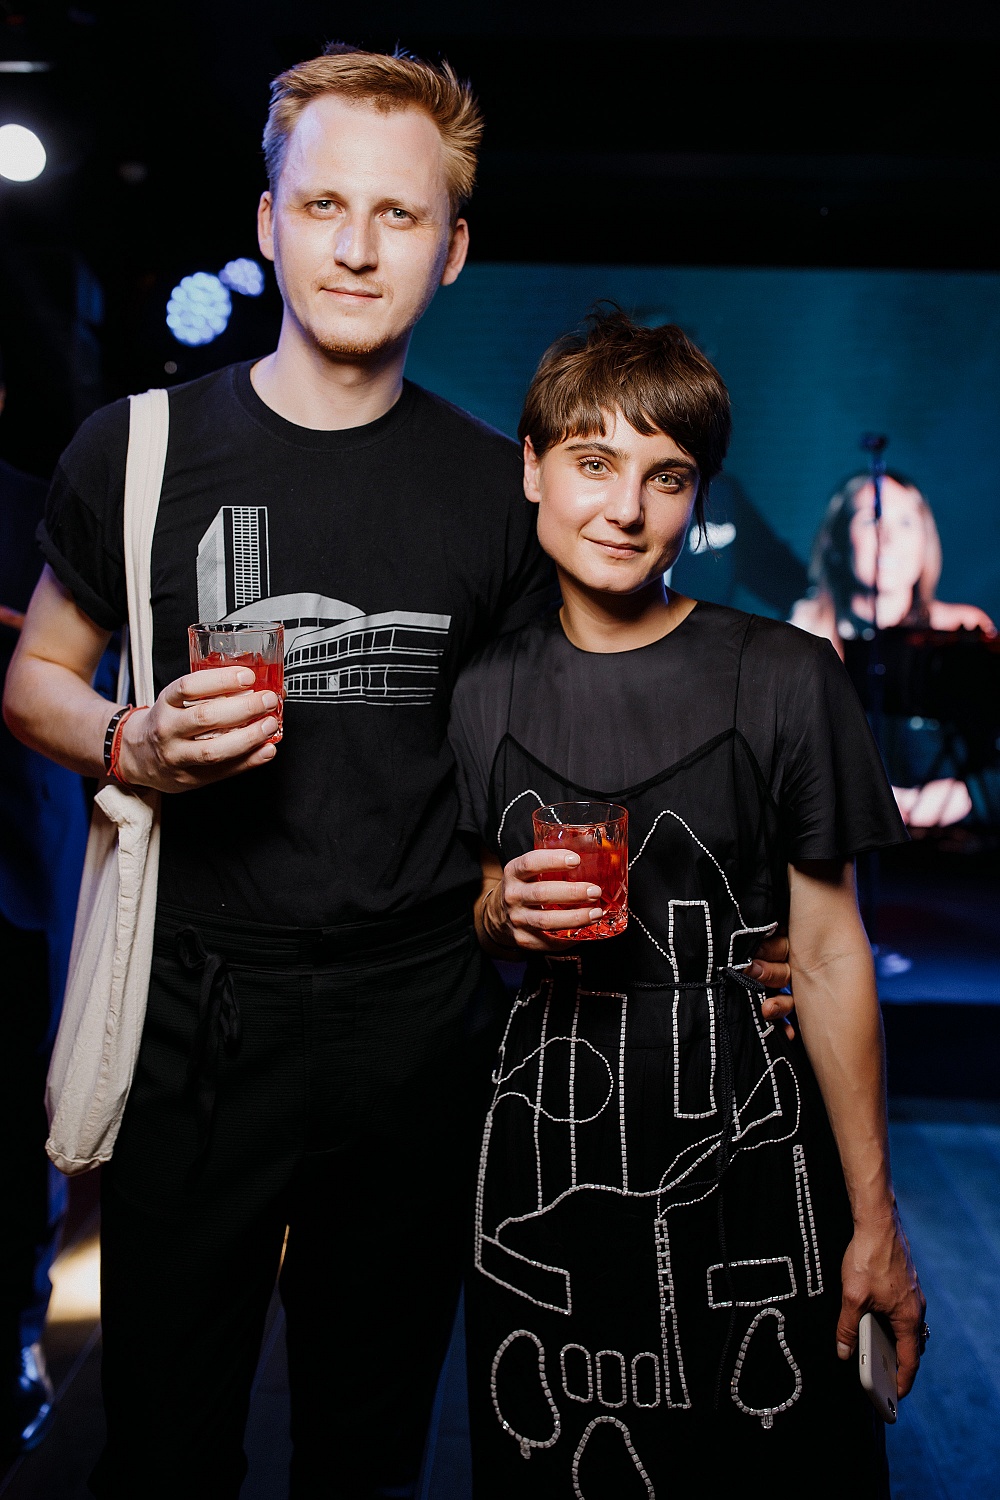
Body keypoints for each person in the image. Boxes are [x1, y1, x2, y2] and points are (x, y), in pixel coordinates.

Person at [4, 46, 794, 1496]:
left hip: (418, 1027)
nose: (357, 247)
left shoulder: (495, 493)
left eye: (399, 215)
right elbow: (35, 678)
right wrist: (134, 740)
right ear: (268, 222)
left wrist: (745, 926)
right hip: (196, 1016)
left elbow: (569, 751)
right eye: (324, 206)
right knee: (163, 1447)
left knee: (365, 1452)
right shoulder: (138, 448)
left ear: (452, 252)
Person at [448, 309, 926, 1498]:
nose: (625, 508)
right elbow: (473, 901)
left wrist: (876, 1222)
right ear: (531, 469)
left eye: (664, 477)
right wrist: (502, 913)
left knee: (774, 1464)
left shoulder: (785, 676)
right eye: (592, 462)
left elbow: (829, 954)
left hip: (753, 1151)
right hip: (548, 1150)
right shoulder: (480, 690)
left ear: (696, 496)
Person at [0, 355, 89, 1456]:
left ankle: (19, 1334)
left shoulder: (44, 509)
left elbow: (85, 673)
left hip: (17, 868)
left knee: (22, 1117)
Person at [790, 471, 998, 828]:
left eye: (905, 522)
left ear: (924, 541)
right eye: (871, 519)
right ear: (836, 541)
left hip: (950, 841)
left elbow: (991, 763)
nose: (888, 537)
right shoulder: (803, 636)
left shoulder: (962, 632)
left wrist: (945, 800)